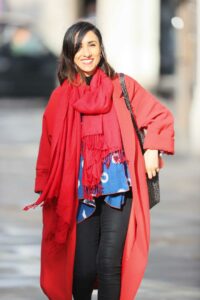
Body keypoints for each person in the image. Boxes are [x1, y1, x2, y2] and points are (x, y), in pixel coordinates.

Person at [24, 21, 175, 300]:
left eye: (92, 44)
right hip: (79, 194)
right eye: (79, 47)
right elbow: (48, 145)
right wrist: (46, 186)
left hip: (119, 191)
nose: (86, 52)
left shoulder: (122, 86)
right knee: (81, 270)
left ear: (101, 49)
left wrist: (152, 148)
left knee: (109, 265)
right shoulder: (61, 97)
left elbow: (159, 116)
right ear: (70, 54)